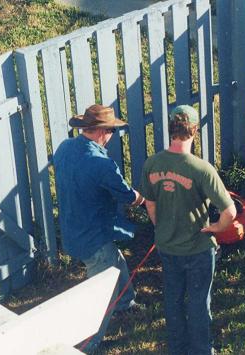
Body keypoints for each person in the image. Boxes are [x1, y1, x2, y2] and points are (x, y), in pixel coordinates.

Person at [139, 105, 237, 355]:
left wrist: (162, 227)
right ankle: (202, 350)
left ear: (170, 128)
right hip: (197, 249)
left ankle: (177, 348)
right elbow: (230, 212)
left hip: (167, 247)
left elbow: (150, 204)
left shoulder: (152, 164)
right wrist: (214, 228)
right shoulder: (201, 169)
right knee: (198, 303)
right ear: (194, 130)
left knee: (172, 300)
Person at [53, 104, 145, 350]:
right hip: (93, 237)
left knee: (115, 261)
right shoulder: (101, 164)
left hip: (73, 229)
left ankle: (125, 303)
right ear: (102, 131)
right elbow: (126, 195)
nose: (113, 136)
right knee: (101, 292)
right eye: (112, 131)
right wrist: (144, 200)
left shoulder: (64, 149)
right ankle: (87, 343)